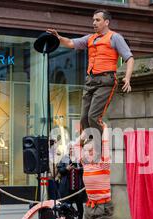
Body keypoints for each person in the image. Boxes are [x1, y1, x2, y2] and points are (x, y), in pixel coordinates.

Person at [47, 9, 134, 149]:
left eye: (97, 20)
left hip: (105, 80)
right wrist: (58, 37)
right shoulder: (90, 38)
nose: (94, 23)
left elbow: (129, 58)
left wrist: (127, 78)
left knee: (93, 116)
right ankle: (88, 137)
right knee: (83, 118)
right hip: (90, 80)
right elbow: (70, 43)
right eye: (93, 20)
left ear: (106, 22)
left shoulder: (115, 37)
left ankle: (97, 142)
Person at [57, 144, 86, 219]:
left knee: (80, 207)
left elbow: (86, 168)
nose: (72, 150)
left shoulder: (80, 159)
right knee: (67, 206)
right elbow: (60, 170)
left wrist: (79, 169)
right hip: (67, 189)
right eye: (70, 149)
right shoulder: (64, 158)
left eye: (73, 149)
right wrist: (66, 169)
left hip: (78, 189)